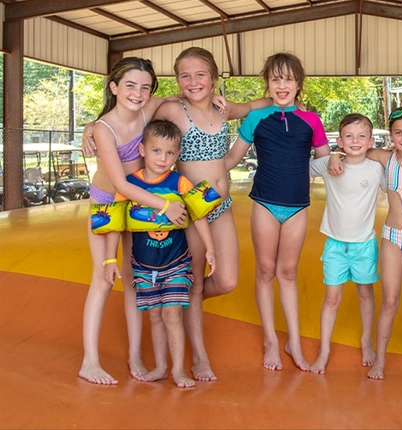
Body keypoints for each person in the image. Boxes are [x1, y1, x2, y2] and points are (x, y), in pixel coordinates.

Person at [153, 47, 270, 381]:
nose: (193, 81)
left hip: (222, 206)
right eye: (185, 76)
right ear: (176, 81)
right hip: (192, 211)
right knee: (193, 283)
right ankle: (200, 357)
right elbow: (135, 119)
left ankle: (177, 296)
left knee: (227, 279)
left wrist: (290, 103)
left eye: (200, 74)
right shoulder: (174, 109)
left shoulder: (223, 107)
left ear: (214, 77)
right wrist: (94, 127)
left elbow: (257, 105)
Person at [79, 57, 189, 385]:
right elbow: (121, 184)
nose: (138, 93)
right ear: (113, 87)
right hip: (109, 205)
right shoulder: (104, 127)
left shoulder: (147, 109)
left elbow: (181, 98)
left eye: (145, 87)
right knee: (103, 277)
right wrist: (165, 205)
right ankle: (90, 361)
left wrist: (216, 99)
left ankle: (134, 353)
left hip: (136, 206)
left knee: (132, 279)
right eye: (129, 85)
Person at [225, 52, 329, 372]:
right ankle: (271, 339)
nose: (281, 85)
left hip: (297, 206)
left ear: (299, 84)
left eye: (287, 79)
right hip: (265, 204)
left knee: (288, 273)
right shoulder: (256, 118)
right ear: (267, 84)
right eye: (275, 79)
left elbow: (326, 163)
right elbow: (230, 161)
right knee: (265, 271)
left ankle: (293, 342)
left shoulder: (311, 120)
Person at [328, 106, 402, 384]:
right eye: (398, 132)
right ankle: (380, 358)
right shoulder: (384, 157)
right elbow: (354, 149)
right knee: (390, 302)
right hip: (392, 236)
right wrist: (335, 153)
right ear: (390, 134)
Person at [103, 120, 217, 388]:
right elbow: (115, 224)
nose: (163, 159)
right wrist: (110, 259)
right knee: (154, 315)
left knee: (172, 314)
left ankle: (178, 370)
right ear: (142, 149)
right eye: (156, 151)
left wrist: (210, 247)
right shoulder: (128, 185)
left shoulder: (181, 181)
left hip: (176, 263)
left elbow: (199, 214)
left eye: (169, 153)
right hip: (143, 266)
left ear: (177, 155)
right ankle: (161, 367)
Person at [306, 113, 384, 374]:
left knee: (365, 293)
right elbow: (301, 168)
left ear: (371, 141)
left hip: (364, 244)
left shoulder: (376, 169)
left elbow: (400, 184)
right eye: (349, 136)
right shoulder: (329, 164)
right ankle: (324, 349)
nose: (355, 141)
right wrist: (331, 157)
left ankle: (366, 341)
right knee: (331, 298)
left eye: (361, 136)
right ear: (339, 141)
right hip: (336, 245)